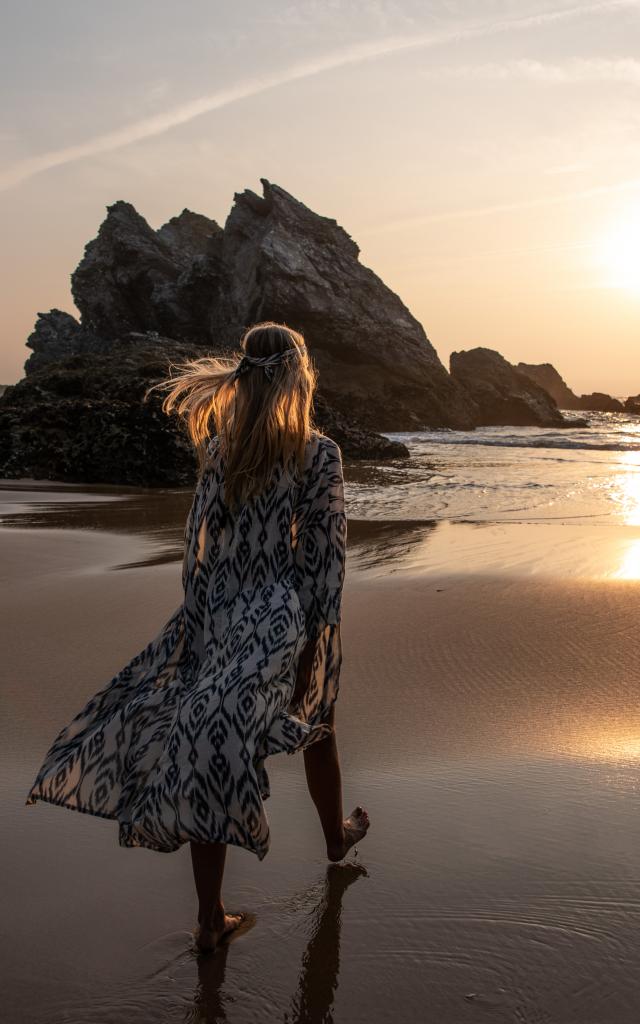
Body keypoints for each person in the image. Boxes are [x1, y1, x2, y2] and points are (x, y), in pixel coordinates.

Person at [25, 320, 370, 953]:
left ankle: (212, 918)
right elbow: (325, 558)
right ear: (299, 376)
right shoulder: (319, 454)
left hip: (217, 613)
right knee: (316, 719)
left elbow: (198, 549)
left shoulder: (220, 448)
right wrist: (315, 642)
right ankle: (333, 839)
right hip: (276, 616)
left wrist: (196, 622)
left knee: (206, 741)